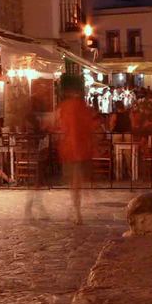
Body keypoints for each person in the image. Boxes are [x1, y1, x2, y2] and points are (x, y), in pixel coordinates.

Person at [57, 83, 96, 225]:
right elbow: (90, 129)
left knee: (73, 183)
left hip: (70, 150)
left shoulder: (65, 107)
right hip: (82, 150)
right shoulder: (84, 108)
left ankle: (76, 211)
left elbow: (61, 127)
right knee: (77, 182)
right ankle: (76, 210)